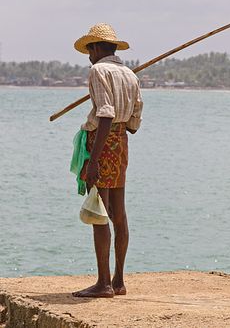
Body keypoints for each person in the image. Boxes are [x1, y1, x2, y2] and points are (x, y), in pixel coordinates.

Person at [72, 23, 143, 298]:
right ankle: (118, 281)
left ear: (97, 48)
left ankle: (103, 284)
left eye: (89, 50)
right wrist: (119, 131)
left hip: (102, 143)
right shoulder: (130, 74)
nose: (88, 56)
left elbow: (104, 114)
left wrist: (94, 160)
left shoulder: (98, 70)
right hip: (121, 142)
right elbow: (134, 120)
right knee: (118, 212)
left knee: (100, 211)